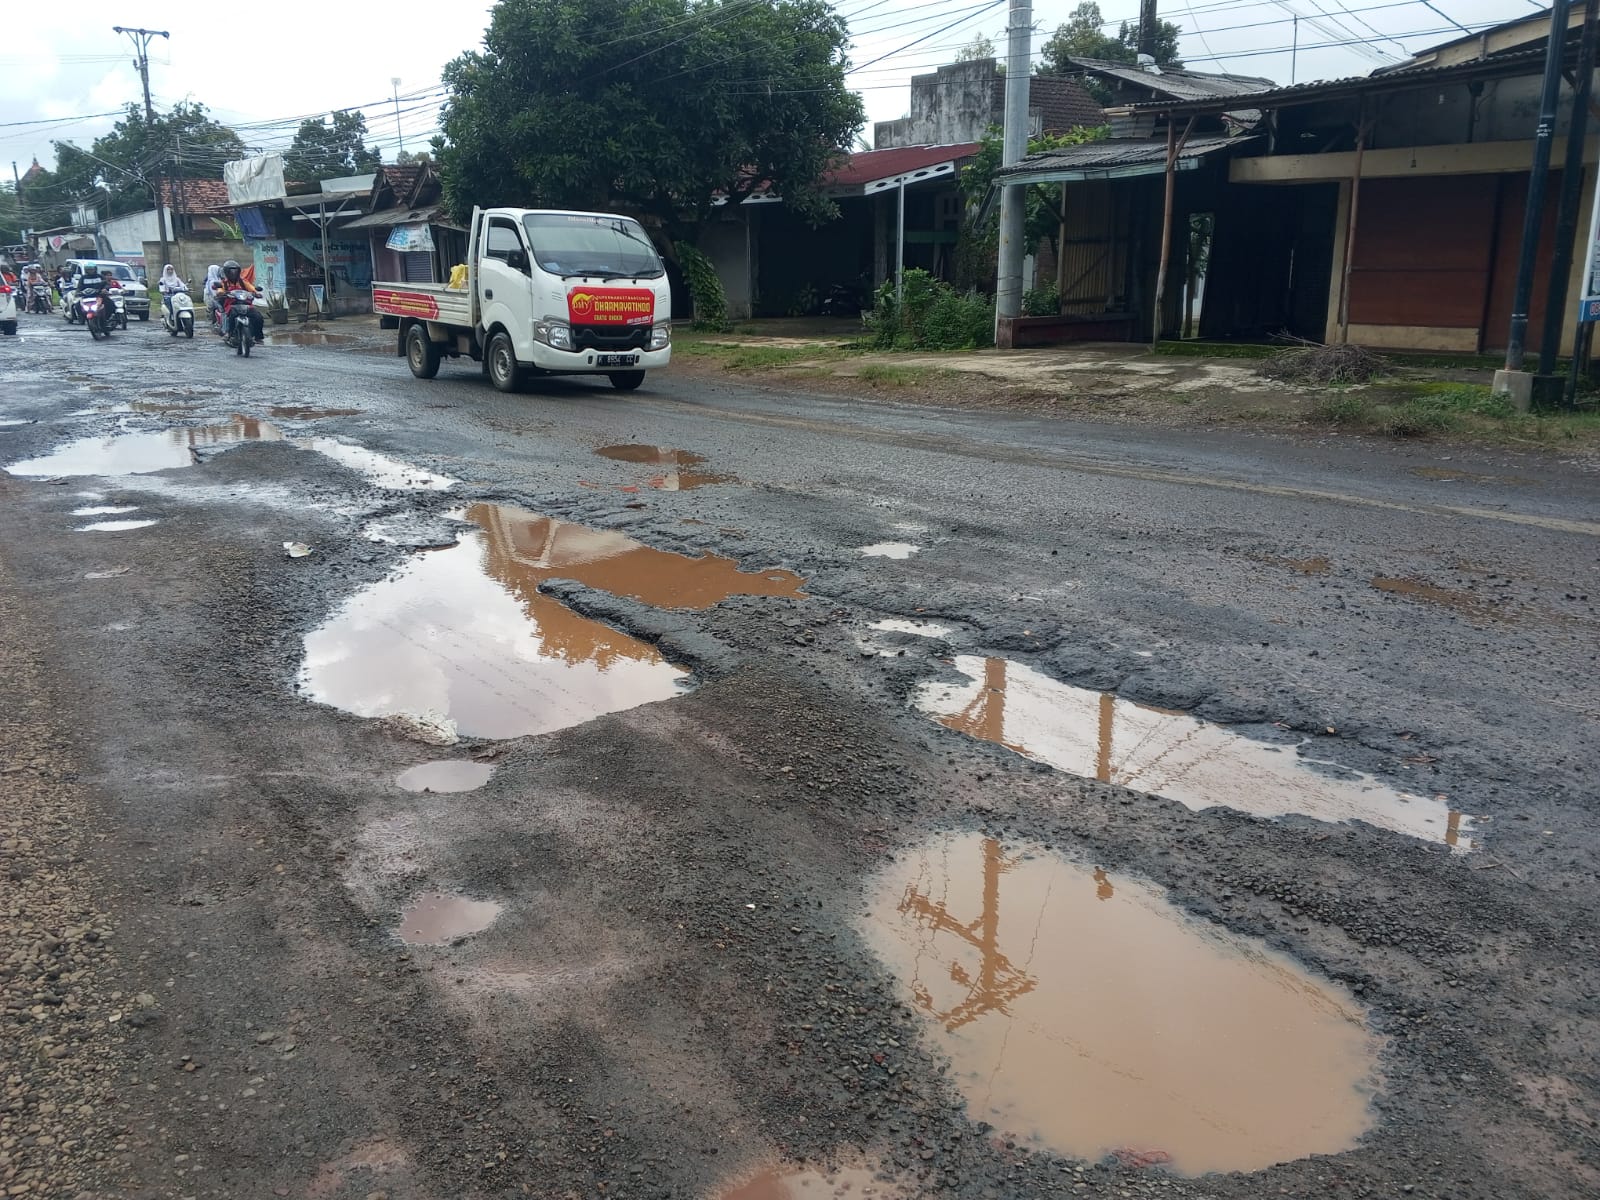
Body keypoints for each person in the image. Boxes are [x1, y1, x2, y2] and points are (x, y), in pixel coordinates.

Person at [213, 260, 262, 345]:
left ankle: (258, 336)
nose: (233, 273)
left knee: (258, 317)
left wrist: (256, 293)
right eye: (231, 270)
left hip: (246, 304)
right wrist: (221, 292)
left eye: (235, 270)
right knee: (231, 316)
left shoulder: (243, 281)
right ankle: (229, 333)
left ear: (238, 271)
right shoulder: (224, 282)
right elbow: (220, 290)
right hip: (231, 305)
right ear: (226, 272)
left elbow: (251, 287)